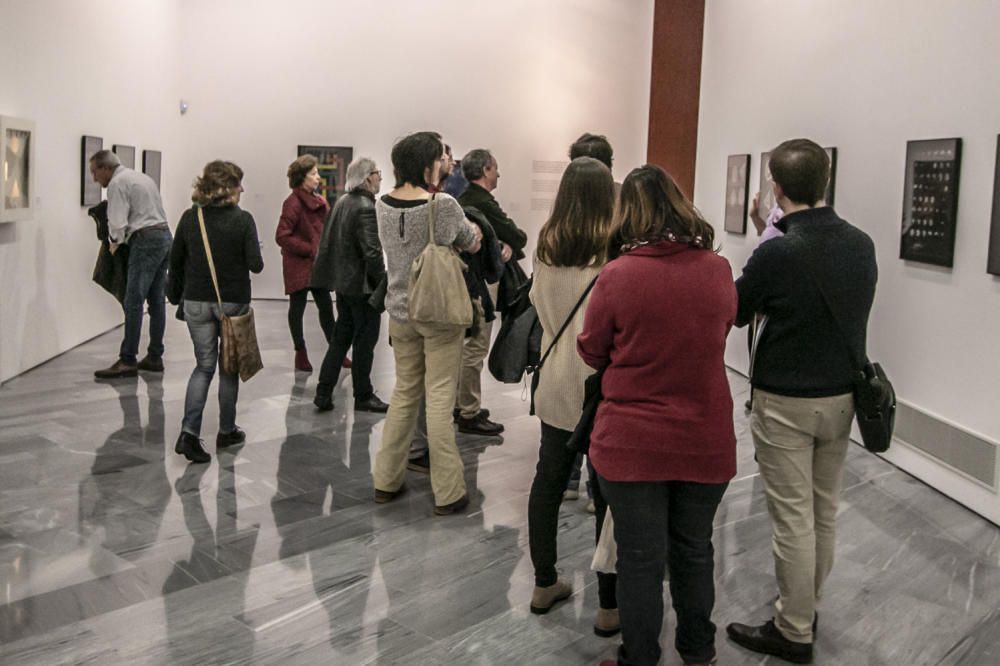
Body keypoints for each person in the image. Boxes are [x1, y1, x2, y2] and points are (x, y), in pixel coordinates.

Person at [726, 139, 877, 665]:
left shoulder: (778, 251)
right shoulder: (861, 244)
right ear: (826, 182)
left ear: (776, 187)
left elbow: (738, 310)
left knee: (792, 519)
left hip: (786, 400)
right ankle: (806, 605)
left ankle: (793, 628)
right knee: (823, 512)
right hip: (841, 398)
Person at [580, 165, 737, 666]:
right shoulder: (717, 269)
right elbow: (722, 326)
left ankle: (639, 657)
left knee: (639, 559)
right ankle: (698, 651)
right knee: (695, 550)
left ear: (630, 213)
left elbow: (590, 349)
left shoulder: (619, 274)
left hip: (631, 442)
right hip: (704, 436)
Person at [526, 157, 619, 636]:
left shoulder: (548, 242)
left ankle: (544, 582)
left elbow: (539, 308)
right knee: (606, 494)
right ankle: (608, 605)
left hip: (557, 372)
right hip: (601, 379)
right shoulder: (615, 248)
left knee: (548, 480)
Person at [371, 131, 481, 515]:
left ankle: (386, 479)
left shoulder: (380, 204)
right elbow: (469, 240)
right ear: (426, 164)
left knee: (404, 393)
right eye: (440, 159)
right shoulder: (443, 204)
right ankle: (448, 491)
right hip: (437, 312)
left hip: (399, 311)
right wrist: (476, 234)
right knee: (438, 397)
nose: (444, 165)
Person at [166, 161, 263, 464]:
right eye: (238, 184)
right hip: (231, 302)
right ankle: (226, 429)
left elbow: (176, 260)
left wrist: (173, 295)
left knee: (203, 367)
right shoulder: (243, 220)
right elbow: (256, 265)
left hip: (195, 301)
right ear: (228, 187)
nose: (242, 189)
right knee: (228, 367)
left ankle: (189, 433)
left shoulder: (190, 218)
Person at [454, 148, 526, 435]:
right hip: (481, 283)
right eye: (495, 168)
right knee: (476, 346)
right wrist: (507, 244)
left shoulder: (461, 201)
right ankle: (468, 411)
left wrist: (505, 245)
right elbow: (518, 236)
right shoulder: (484, 203)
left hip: (466, 281)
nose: (498, 174)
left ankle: (462, 404)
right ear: (485, 170)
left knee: (467, 345)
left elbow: (512, 241)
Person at [311, 158, 389, 414]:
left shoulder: (343, 202)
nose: (380, 178)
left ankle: (323, 391)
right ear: (367, 178)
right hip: (362, 288)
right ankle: (363, 395)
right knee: (365, 343)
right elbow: (372, 254)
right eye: (378, 173)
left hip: (344, 286)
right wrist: (383, 285)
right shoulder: (365, 206)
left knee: (340, 339)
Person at [90, 149, 172, 379]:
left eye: (95, 172)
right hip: (164, 235)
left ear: (106, 168)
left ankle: (128, 359)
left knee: (133, 300)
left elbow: (117, 221)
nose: (95, 179)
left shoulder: (117, 183)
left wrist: (113, 243)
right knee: (156, 300)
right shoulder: (143, 178)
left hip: (144, 240)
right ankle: (155, 356)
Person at [276, 154, 336, 372]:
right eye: (313, 173)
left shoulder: (320, 201)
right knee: (297, 308)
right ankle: (300, 353)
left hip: (316, 265)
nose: (318, 177)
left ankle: (336, 351)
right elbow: (282, 235)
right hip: (299, 265)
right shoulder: (292, 203)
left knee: (326, 308)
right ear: (302, 178)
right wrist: (310, 249)